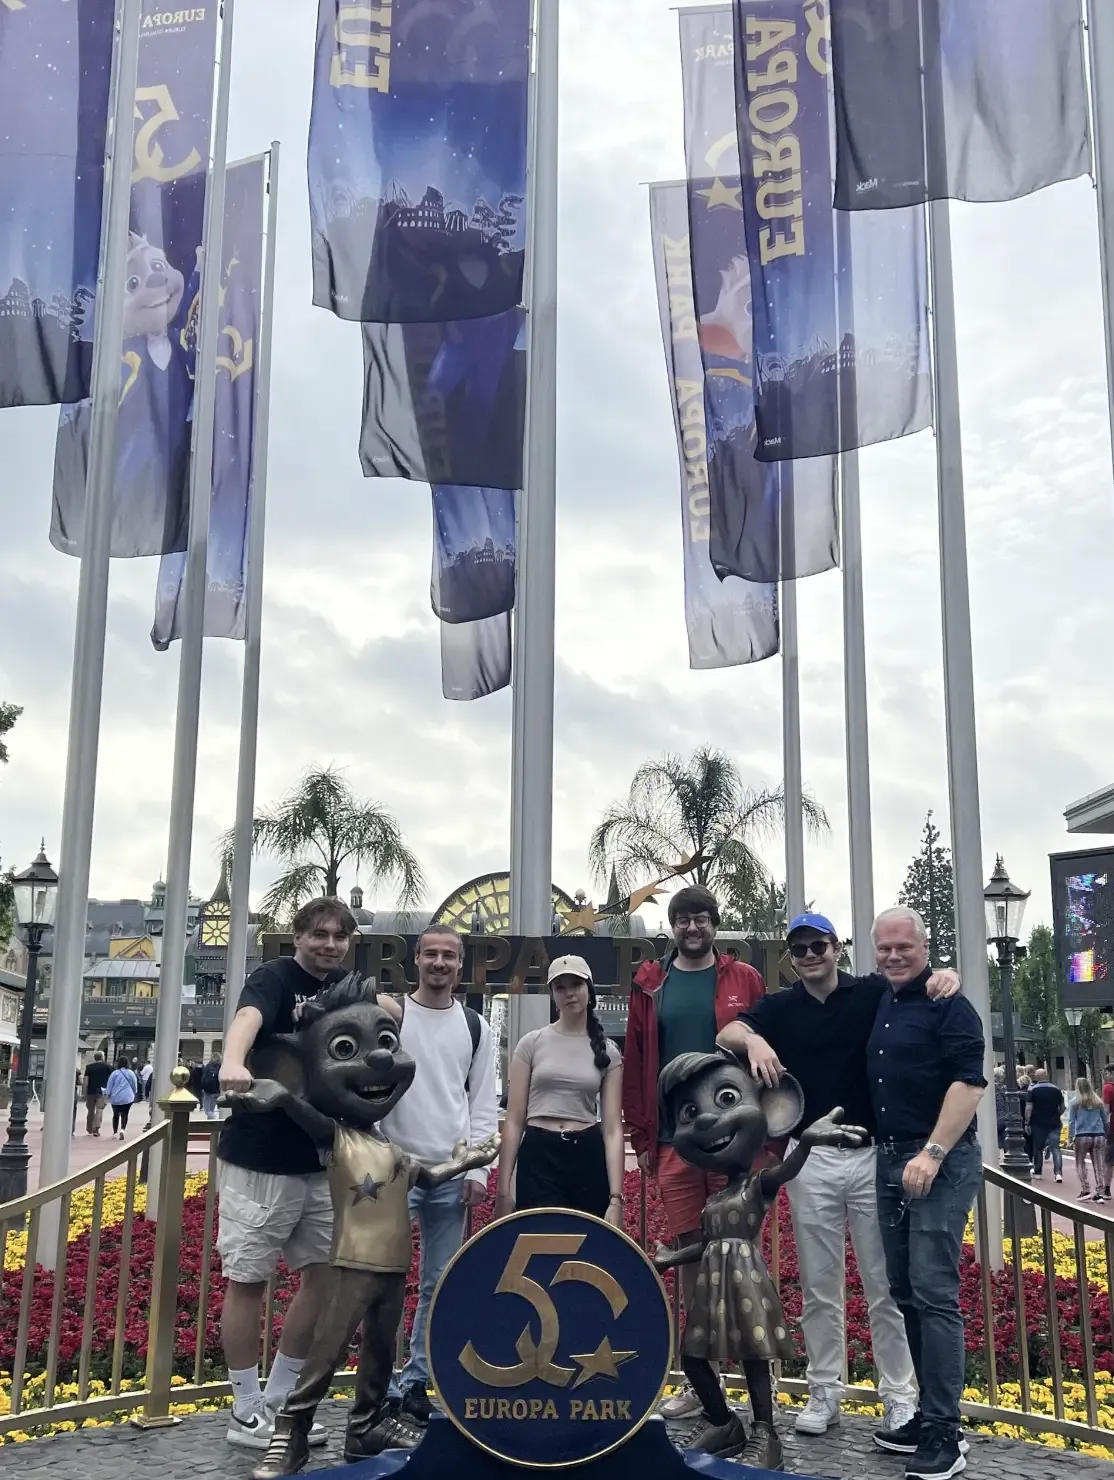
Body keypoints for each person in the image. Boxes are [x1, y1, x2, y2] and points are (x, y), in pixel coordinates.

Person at [718, 912, 960, 1446]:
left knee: (885, 1285)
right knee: (818, 1285)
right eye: (800, 949)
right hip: (813, 1157)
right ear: (792, 956)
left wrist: (949, 976)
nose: (810, 956)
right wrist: (755, 1043)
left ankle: (900, 1395)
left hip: (872, 1153)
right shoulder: (780, 1008)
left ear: (836, 947)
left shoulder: (871, 992)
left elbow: (920, 979)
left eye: (818, 946)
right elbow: (728, 1030)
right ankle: (824, 1388)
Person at [217, 896, 361, 1451]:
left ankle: (281, 1400)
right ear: (298, 935)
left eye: (338, 936)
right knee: (249, 1278)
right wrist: (234, 1061)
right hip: (261, 1156)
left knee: (322, 1278)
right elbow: (247, 1019)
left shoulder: (348, 986)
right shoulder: (273, 978)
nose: (328, 944)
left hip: (319, 1159)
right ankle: (245, 1406)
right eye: (318, 934)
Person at [622, 884, 765, 1421]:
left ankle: (750, 1385)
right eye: (683, 919)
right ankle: (701, 1381)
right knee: (690, 1258)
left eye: (702, 919)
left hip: (733, 1147)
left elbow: (764, 1053)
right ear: (673, 926)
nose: (692, 928)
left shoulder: (744, 980)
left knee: (739, 1259)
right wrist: (644, 1137)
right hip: (675, 1142)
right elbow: (637, 1063)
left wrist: (765, 1144)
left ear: (714, 925)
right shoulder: (650, 984)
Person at [869, 907, 985, 1480]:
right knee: (904, 1289)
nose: (893, 957)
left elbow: (970, 1083)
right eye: (884, 948)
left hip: (938, 1161)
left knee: (935, 1292)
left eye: (903, 948)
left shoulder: (949, 1004)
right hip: (889, 1157)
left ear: (924, 947)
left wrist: (933, 1153)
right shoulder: (881, 999)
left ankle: (945, 1432)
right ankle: (925, 1417)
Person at [380, 925, 499, 1428]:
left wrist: (481, 1169)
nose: (439, 963)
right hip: (390, 1171)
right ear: (417, 960)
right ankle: (379, 1384)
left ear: (460, 964)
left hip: (451, 1173)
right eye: (431, 954)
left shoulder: (475, 1027)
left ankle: (416, 1380)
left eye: (449, 955)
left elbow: (482, 1103)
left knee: (438, 1282)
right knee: (382, 1283)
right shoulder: (391, 1017)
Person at [495, 955, 624, 1223]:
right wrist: (504, 1190)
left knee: (587, 1246)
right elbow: (514, 1121)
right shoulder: (531, 1043)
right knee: (537, 1241)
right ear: (552, 994)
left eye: (576, 984)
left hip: (587, 1155)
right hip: (539, 1153)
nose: (569, 993)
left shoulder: (608, 1052)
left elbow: (612, 1129)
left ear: (590, 989)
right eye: (560, 987)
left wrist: (616, 1198)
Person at [1068, 1079, 1108, 1202]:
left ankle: (1085, 1189)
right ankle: (1100, 1192)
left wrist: (1071, 1137)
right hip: (1098, 1134)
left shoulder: (1075, 1102)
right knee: (1099, 1164)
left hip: (1082, 1135)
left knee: (1080, 1163)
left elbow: (1071, 1121)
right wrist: (1105, 1134)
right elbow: (1105, 1119)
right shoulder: (1098, 1102)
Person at [1025, 1068, 1064, 1182]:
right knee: (1056, 1148)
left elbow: (1029, 1108)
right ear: (1046, 1076)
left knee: (1038, 1147)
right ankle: (1058, 1173)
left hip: (1038, 1122)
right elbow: (1062, 1107)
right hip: (1054, 1121)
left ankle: (1038, 1171)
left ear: (1036, 1077)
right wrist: (1056, 1114)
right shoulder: (1056, 1089)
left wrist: (1027, 1122)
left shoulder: (1033, 1090)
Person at [105, 1054, 138, 1139]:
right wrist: (134, 1093)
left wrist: (107, 1095)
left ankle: (115, 1132)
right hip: (128, 1096)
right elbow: (134, 1085)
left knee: (115, 1114)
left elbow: (109, 1085)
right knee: (125, 1114)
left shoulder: (114, 1073)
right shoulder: (131, 1073)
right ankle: (122, 1129)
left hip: (116, 1096)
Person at [83, 1051, 111, 1136]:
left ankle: (89, 1128)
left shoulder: (89, 1067)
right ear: (102, 1057)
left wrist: (84, 1092)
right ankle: (96, 1128)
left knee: (90, 1110)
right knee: (99, 1110)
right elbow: (111, 1079)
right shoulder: (107, 1067)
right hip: (102, 1091)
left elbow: (86, 1080)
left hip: (90, 1091)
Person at [1102, 1067, 1114, 1197]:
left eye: (1106, 1073)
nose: (1105, 1075)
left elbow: (1105, 1111)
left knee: (1109, 1160)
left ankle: (1106, 1188)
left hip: (1113, 1129)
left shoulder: (1108, 1088)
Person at [200, 1052, 222, 1119]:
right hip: (216, 1091)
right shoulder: (220, 1066)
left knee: (207, 1110)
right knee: (211, 1109)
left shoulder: (208, 1066)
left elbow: (204, 1078)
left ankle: (214, 1119)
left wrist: (202, 1087)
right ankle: (210, 1123)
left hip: (208, 1091)